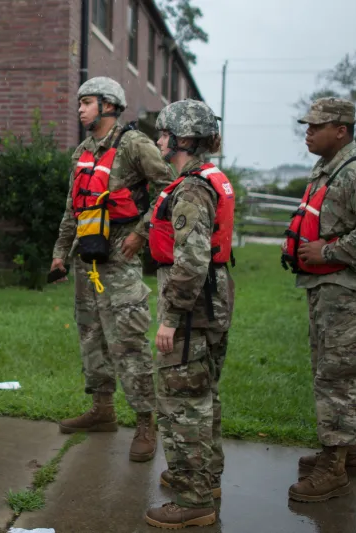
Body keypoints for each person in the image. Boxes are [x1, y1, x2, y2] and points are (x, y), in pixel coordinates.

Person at [282, 97, 356, 503]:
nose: (308, 132)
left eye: (316, 126)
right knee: (332, 369)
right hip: (331, 292)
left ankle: (333, 467)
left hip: (355, 292)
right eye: (308, 125)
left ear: (342, 131)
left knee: (341, 375)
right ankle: (348, 455)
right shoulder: (326, 170)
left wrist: (328, 253)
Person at [50, 76, 172, 463]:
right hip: (88, 259)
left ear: (108, 105)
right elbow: (74, 207)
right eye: (80, 103)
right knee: (92, 338)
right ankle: (102, 409)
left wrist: (141, 233)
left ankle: (145, 423)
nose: (80, 109)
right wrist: (59, 253)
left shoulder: (134, 144)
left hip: (120, 260)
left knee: (128, 342)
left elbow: (170, 189)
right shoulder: (83, 151)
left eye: (86, 102)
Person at [144, 99, 235, 529]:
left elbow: (192, 259)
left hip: (191, 304)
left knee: (182, 400)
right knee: (203, 393)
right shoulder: (205, 180)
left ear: (182, 138)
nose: (158, 140)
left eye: (163, 133)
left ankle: (192, 497)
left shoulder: (191, 188)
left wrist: (170, 316)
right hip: (212, 299)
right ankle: (206, 477)